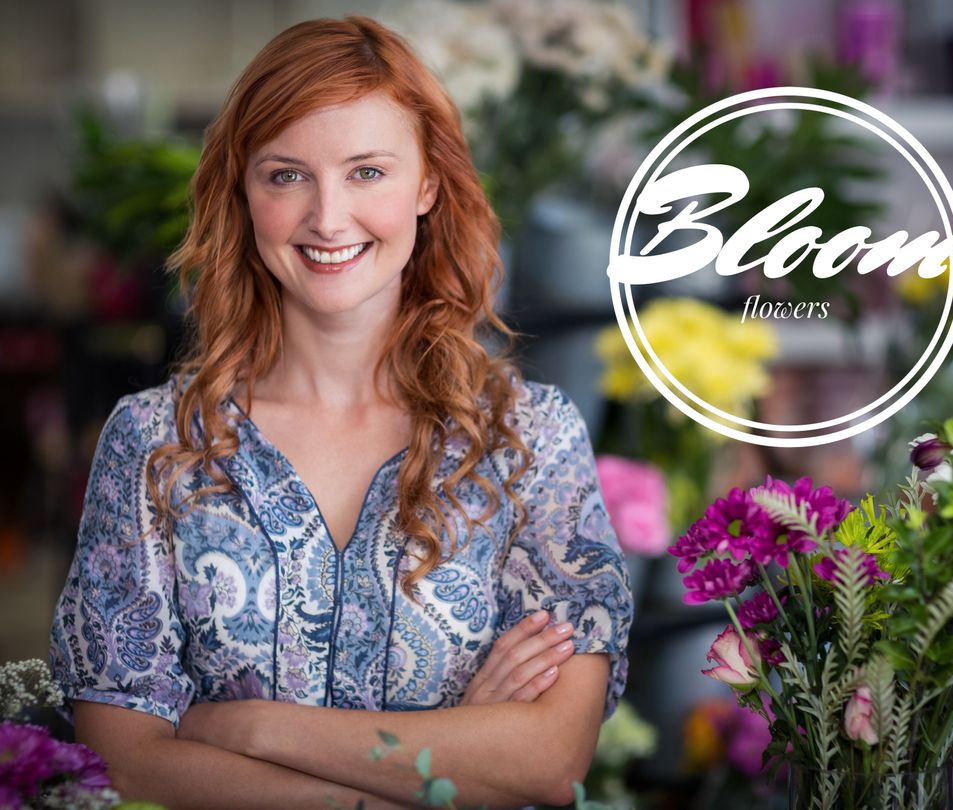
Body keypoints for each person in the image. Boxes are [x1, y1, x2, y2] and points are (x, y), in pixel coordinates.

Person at [49, 15, 633, 810]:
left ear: (427, 183)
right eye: (287, 175)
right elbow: (123, 760)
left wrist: (249, 726)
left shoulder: (528, 438)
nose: (327, 219)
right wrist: (444, 761)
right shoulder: (157, 445)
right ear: (243, 191)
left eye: (367, 172)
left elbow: (548, 760)